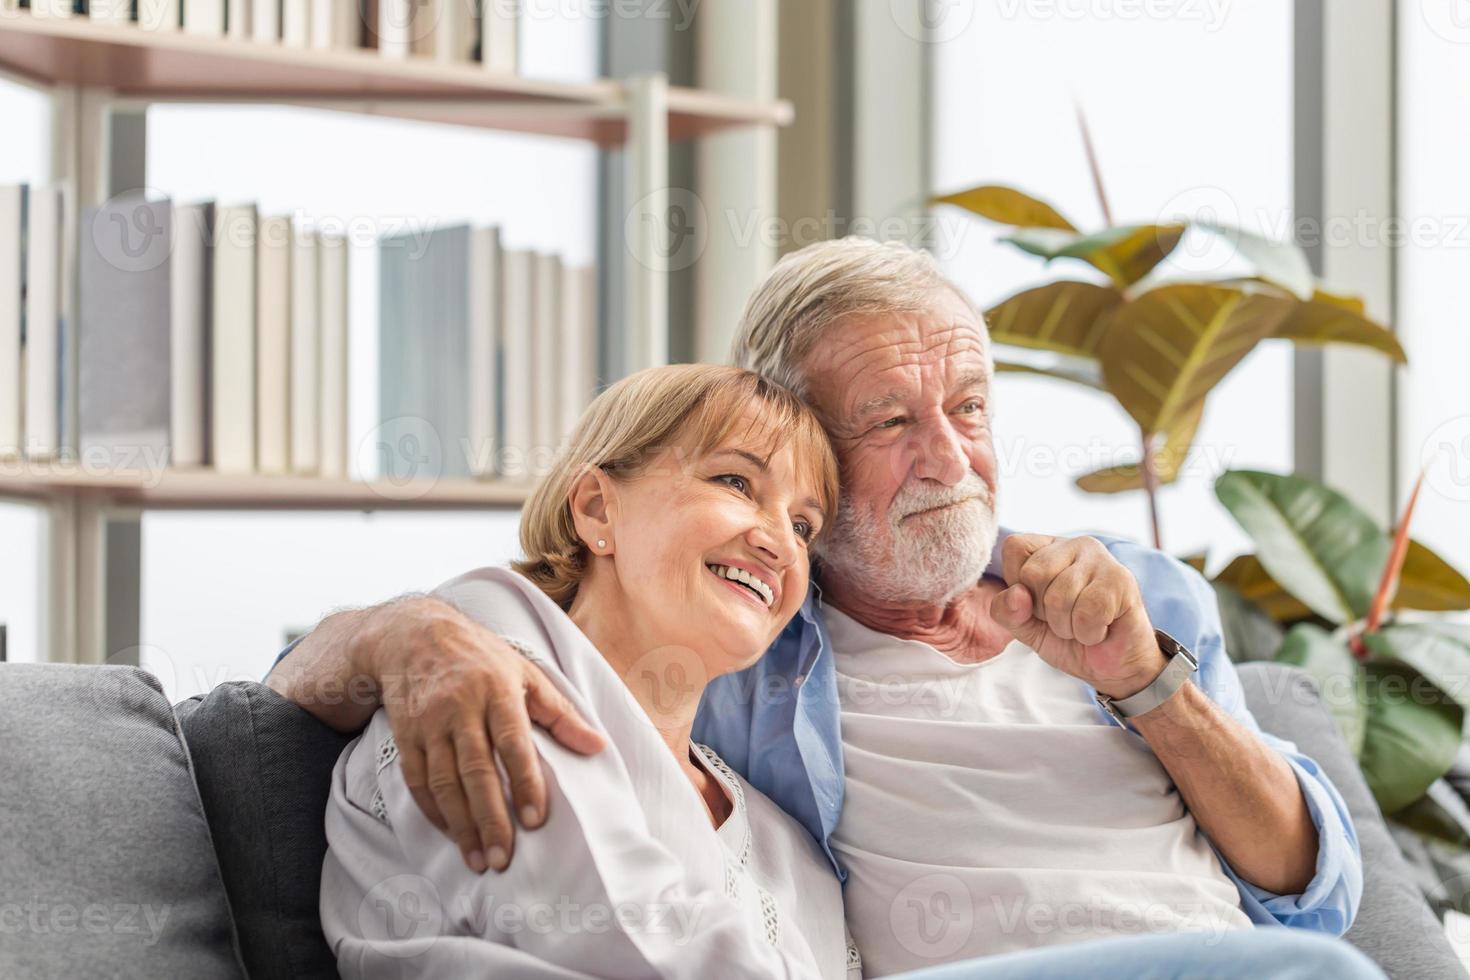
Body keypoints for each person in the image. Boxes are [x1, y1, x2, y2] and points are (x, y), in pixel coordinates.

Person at [277, 239, 1375, 977]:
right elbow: (321, 674)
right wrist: (402, 631)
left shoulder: (1135, 594)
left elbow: (1311, 889)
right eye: (892, 420)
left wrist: (1148, 679)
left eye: (969, 407)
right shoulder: (720, 649)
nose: (950, 455)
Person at [321, 364, 854, 977]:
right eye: (736, 482)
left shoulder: (792, 850)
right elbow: (622, 940)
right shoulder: (477, 654)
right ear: (598, 509)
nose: (781, 545)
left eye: (803, 525)